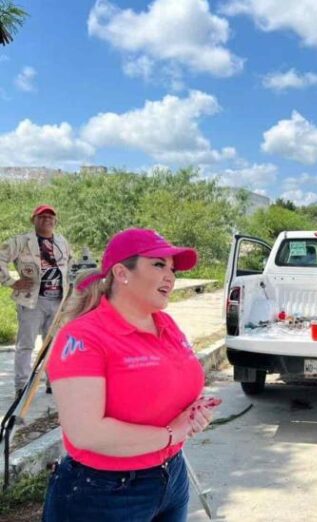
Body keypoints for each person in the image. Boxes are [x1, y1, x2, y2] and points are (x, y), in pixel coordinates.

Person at [42, 228, 221, 522]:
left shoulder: (166, 324)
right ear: (122, 273)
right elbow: (85, 433)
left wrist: (193, 414)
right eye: (159, 265)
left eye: (173, 269)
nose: (170, 277)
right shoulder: (84, 336)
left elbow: (169, 387)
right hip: (104, 492)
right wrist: (172, 433)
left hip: (170, 477)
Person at [0, 204, 72, 397]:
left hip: (57, 301)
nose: (47, 219)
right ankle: (21, 386)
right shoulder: (22, 241)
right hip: (32, 301)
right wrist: (11, 282)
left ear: (55, 221)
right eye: (42, 217)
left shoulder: (62, 241)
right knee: (26, 344)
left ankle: (52, 381)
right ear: (34, 220)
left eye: (51, 217)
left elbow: (70, 265)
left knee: (54, 344)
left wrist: (71, 291)